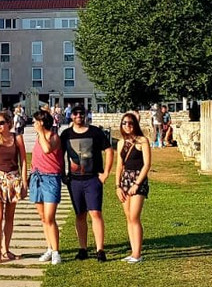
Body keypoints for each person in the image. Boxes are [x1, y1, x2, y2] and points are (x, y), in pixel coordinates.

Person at [59, 104, 113, 261]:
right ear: (71, 116)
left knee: (95, 213)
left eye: (81, 113)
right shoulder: (66, 134)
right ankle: (82, 248)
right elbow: (59, 155)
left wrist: (105, 173)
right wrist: (63, 174)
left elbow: (109, 150)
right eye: (75, 113)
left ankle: (100, 249)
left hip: (92, 179)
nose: (78, 116)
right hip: (75, 180)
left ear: (85, 115)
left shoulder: (95, 132)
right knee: (80, 214)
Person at [0, 109, 28, 262]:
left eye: (1, 123)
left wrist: (24, 183)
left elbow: (23, 160)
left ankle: (6, 249)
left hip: (13, 178)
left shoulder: (17, 139)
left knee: (10, 216)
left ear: (9, 124)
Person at [115, 112, 152, 263]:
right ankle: (133, 251)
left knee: (135, 216)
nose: (127, 126)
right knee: (129, 217)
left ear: (135, 124)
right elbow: (119, 166)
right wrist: (117, 186)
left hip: (138, 180)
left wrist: (136, 184)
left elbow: (147, 164)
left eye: (130, 123)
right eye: (124, 123)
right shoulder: (120, 142)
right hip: (125, 180)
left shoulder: (142, 141)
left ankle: (138, 253)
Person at [29, 109, 63, 264]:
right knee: (43, 218)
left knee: (50, 217)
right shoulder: (37, 137)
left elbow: (47, 149)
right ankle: (49, 248)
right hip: (37, 178)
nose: (33, 124)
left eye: (36, 121)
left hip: (51, 178)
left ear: (42, 122)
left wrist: (42, 132)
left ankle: (56, 251)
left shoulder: (54, 137)